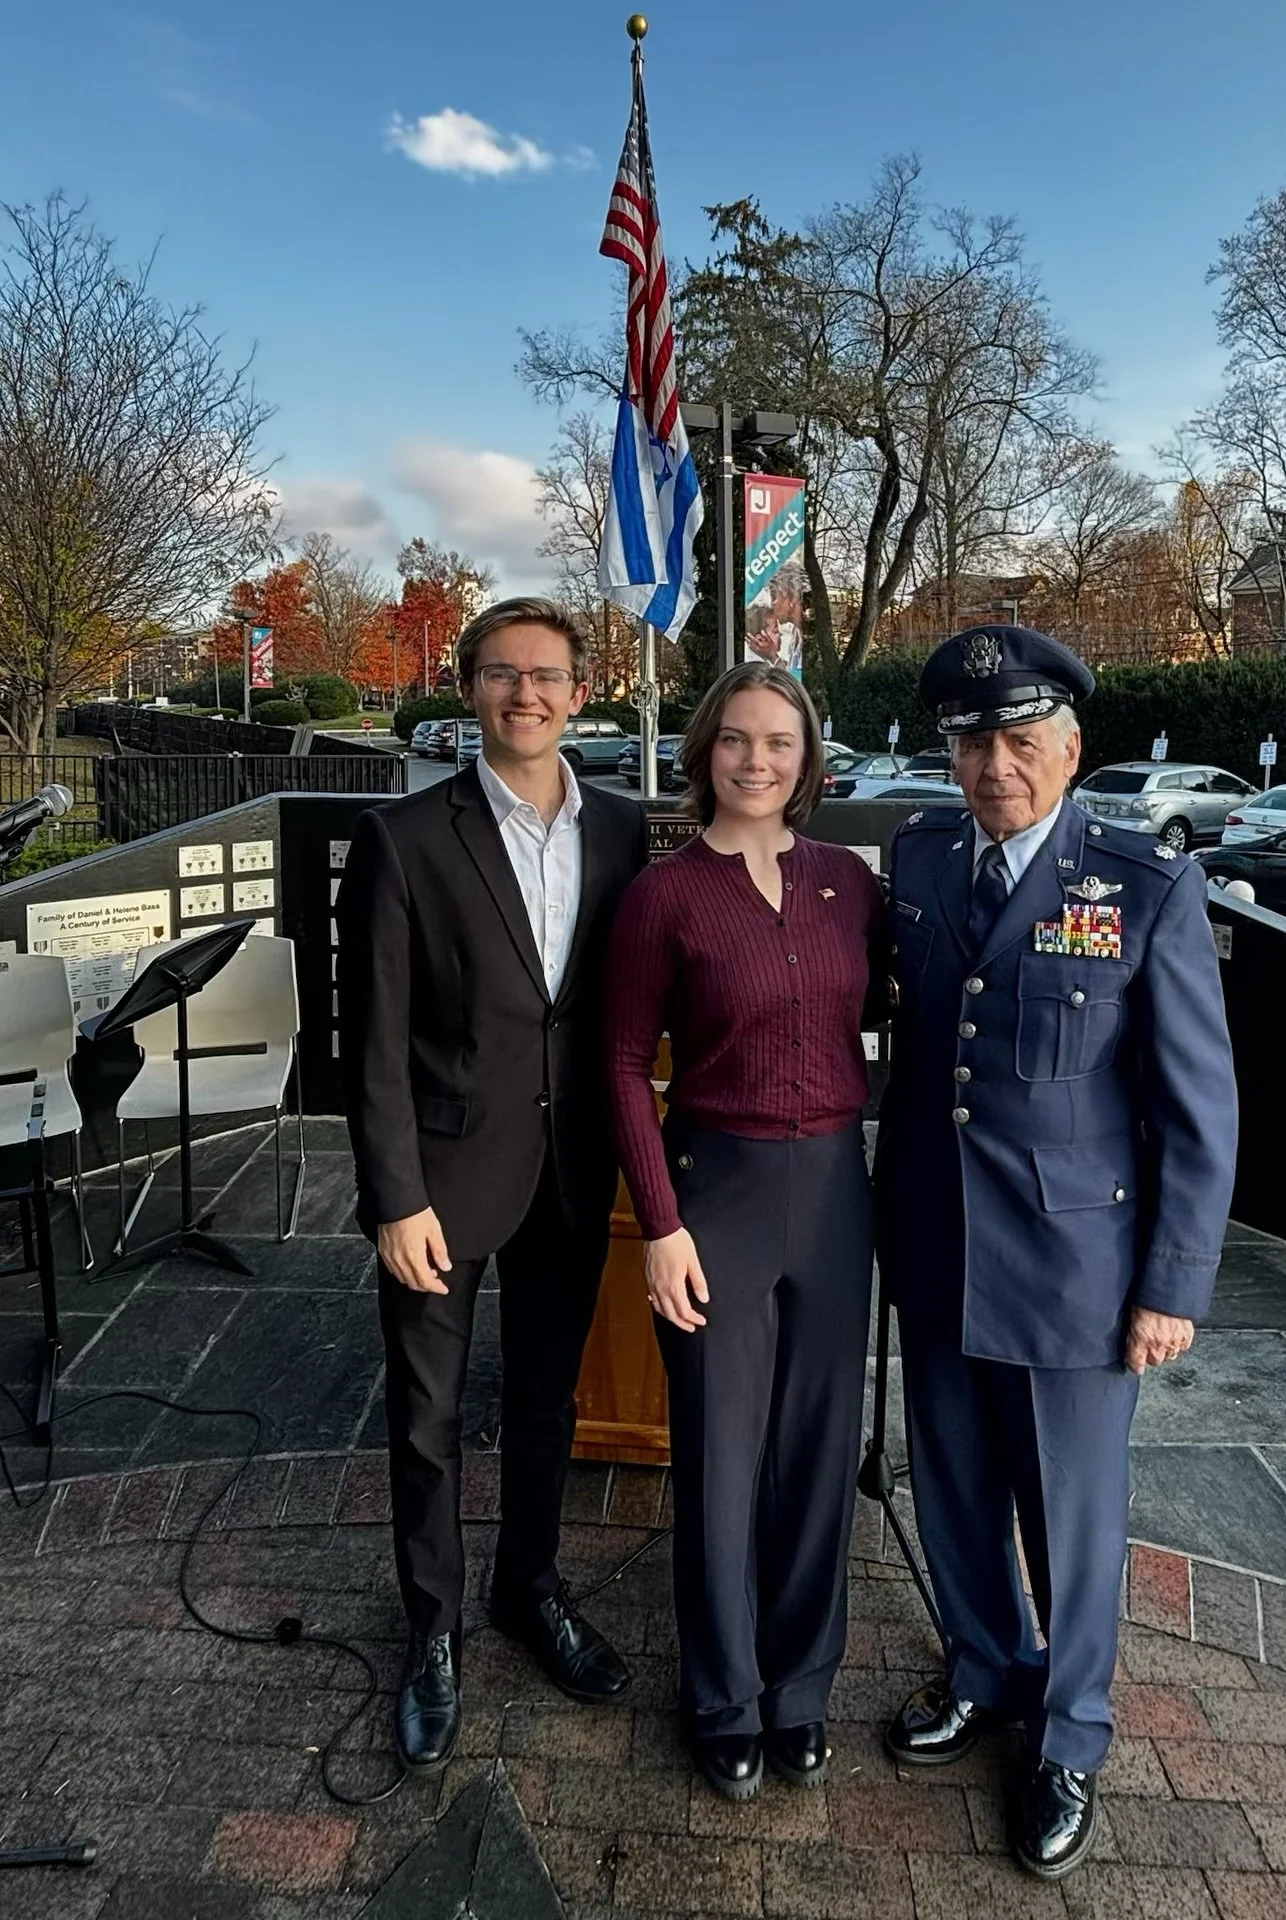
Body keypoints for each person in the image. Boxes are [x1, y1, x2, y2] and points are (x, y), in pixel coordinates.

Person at [876, 624, 1237, 1879]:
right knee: (957, 1486)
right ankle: (983, 1668)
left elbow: (1199, 1103)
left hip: (1078, 1270)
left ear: (1070, 749)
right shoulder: (918, 861)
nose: (994, 768)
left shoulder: (1141, 881)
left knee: (1072, 1517)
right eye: (973, 743)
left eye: (1020, 743)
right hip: (934, 1242)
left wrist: (1173, 1285)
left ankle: (1072, 1734)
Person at [336, 596, 647, 1776]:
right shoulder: (405, 839)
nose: (527, 694)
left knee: (544, 1407)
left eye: (549, 676)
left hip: (570, 1177)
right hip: (443, 1181)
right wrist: (391, 1197)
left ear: (581, 694)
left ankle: (530, 1589)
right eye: (503, 674)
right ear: (470, 690)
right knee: (423, 1419)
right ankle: (433, 1629)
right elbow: (372, 1039)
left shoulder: (622, 832)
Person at [606, 662, 885, 1802]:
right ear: (703, 750)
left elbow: (892, 1018)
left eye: (779, 743)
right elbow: (623, 1064)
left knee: (819, 1452)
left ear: (809, 761)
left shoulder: (849, 885)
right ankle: (723, 1694)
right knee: (721, 1457)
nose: (756, 761)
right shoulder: (664, 896)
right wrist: (661, 1226)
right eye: (736, 740)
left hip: (833, 1193)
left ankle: (802, 1686)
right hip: (714, 1188)